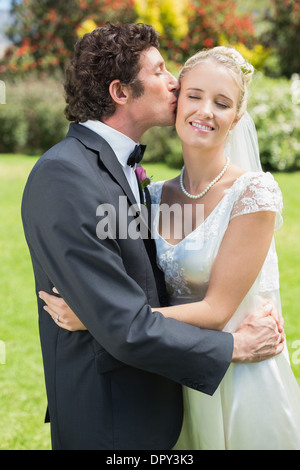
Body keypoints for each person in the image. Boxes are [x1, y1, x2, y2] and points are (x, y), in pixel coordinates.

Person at [23, 24, 284, 451]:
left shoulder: (140, 182)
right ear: (121, 93)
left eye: (221, 102)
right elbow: (123, 322)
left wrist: (95, 317)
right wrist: (232, 346)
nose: (175, 83)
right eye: (161, 70)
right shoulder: (66, 175)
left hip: (179, 392)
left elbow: (139, 293)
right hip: (111, 416)